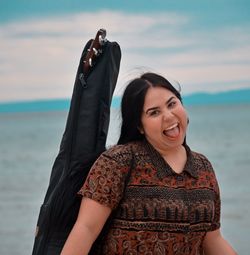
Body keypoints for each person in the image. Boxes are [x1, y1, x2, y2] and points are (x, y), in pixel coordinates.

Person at [60, 72, 237, 255]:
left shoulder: (203, 168)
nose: (168, 116)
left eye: (172, 104)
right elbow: (86, 230)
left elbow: (212, 239)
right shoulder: (118, 162)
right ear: (139, 126)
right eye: (154, 112)